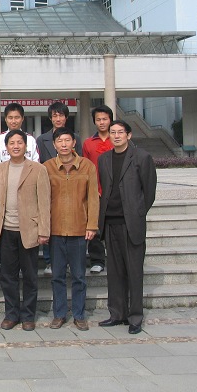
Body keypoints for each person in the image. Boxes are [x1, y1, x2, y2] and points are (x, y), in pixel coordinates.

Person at [98, 120, 156, 335]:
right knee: (114, 272)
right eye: (112, 132)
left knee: (134, 272)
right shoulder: (104, 159)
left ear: (129, 135)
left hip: (131, 223)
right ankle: (117, 314)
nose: (116, 136)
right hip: (110, 222)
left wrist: (137, 212)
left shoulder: (142, 157)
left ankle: (135, 317)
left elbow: (149, 192)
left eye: (120, 132)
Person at [0, 130, 50, 331]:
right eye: (12, 143)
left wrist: (44, 230)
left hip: (29, 230)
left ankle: (28, 315)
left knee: (29, 276)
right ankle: (11, 314)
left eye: (19, 142)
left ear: (26, 146)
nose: (16, 146)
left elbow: (44, 202)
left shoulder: (38, 169)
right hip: (6, 229)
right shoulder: (0, 169)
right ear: (6, 147)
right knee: (8, 276)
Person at [44, 127, 98, 332]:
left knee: (78, 276)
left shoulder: (87, 166)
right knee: (57, 275)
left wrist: (92, 224)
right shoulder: (47, 167)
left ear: (74, 143)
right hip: (55, 230)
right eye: (60, 141)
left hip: (79, 229)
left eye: (67, 140)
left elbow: (93, 198)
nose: (64, 144)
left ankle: (79, 314)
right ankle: (59, 314)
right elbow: (43, 200)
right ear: (54, 144)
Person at [0, 102, 39, 276]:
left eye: (17, 117)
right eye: (10, 117)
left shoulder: (31, 140)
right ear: (5, 119)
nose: (13, 121)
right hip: (6, 189)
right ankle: (1, 264)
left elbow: (36, 164)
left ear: (22, 119)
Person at [36, 101, 81, 276]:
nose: (58, 118)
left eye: (61, 115)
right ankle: (49, 261)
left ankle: (70, 262)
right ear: (50, 118)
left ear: (66, 117)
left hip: (70, 186)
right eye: (54, 115)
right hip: (49, 185)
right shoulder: (42, 140)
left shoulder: (75, 138)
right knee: (50, 223)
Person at [81, 104, 114, 274]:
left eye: (105, 119)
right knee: (95, 225)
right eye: (98, 119)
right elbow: (85, 168)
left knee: (114, 227)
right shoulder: (88, 143)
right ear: (94, 122)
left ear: (110, 120)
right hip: (96, 191)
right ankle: (97, 260)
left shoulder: (117, 139)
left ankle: (116, 259)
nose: (102, 122)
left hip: (115, 192)